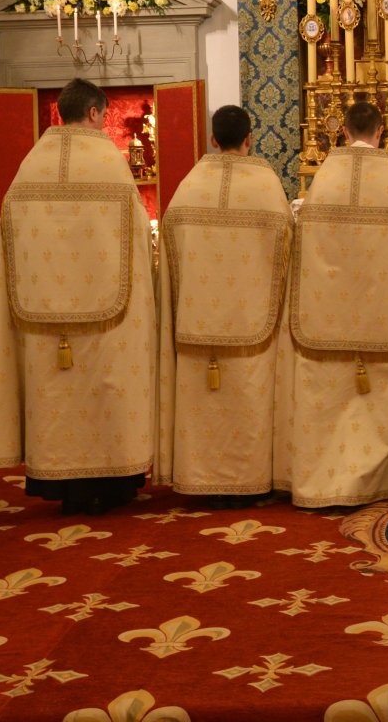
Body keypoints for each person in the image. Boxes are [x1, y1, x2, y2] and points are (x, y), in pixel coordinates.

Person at [0, 78, 157, 515]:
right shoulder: (109, 162)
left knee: (56, 395)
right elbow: (140, 231)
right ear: (96, 113)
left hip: (42, 315)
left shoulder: (31, 164)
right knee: (105, 389)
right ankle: (113, 483)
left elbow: (10, 232)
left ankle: (64, 486)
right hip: (109, 315)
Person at [288, 100, 388, 507]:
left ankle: (326, 477)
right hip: (387, 315)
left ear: (345, 132)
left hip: (328, 318)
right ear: (381, 132)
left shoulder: (323, 180)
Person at [156, 105, 293, 503]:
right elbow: (289, 248)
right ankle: (250, 480)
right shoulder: (267, 187)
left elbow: (168, 246)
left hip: (195, 325)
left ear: (213, 140)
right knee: (249, 396)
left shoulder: (188, 187)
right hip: (255, 324)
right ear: (250, 138)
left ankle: (199, 478)